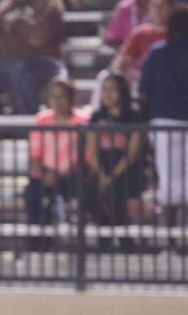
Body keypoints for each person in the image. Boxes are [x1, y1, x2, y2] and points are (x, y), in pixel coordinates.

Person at [139, 4, 188, 226]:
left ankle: (171, 236)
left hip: (164, 120)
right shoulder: (157, 51)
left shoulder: (158, 51)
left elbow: (144, 91)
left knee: (168, 177)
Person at [25, 77, 89, 227]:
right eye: (54, 97)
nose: (58, 101)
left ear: (72, 98)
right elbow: (35, 154)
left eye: (63, 97)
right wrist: (45, 172)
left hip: (74, 174)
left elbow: (86, 153)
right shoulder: (41, 120)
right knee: (33, 193)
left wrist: (68, 171)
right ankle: (39, 239)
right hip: (46, 174)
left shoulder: (83, 120)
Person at [84, 73, 146, 226]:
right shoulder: (96, 118)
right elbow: (93, 151)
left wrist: (112, 176)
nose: (108, 94)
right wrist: (102, 174)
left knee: (118, 189)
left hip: (126, 169)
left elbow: (131, 154)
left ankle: (123, 237)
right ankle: (102, 233)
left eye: (113, 90)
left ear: (122, 92)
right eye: (104, 90)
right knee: (87, 190)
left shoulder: (134, 117)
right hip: (102, 167)